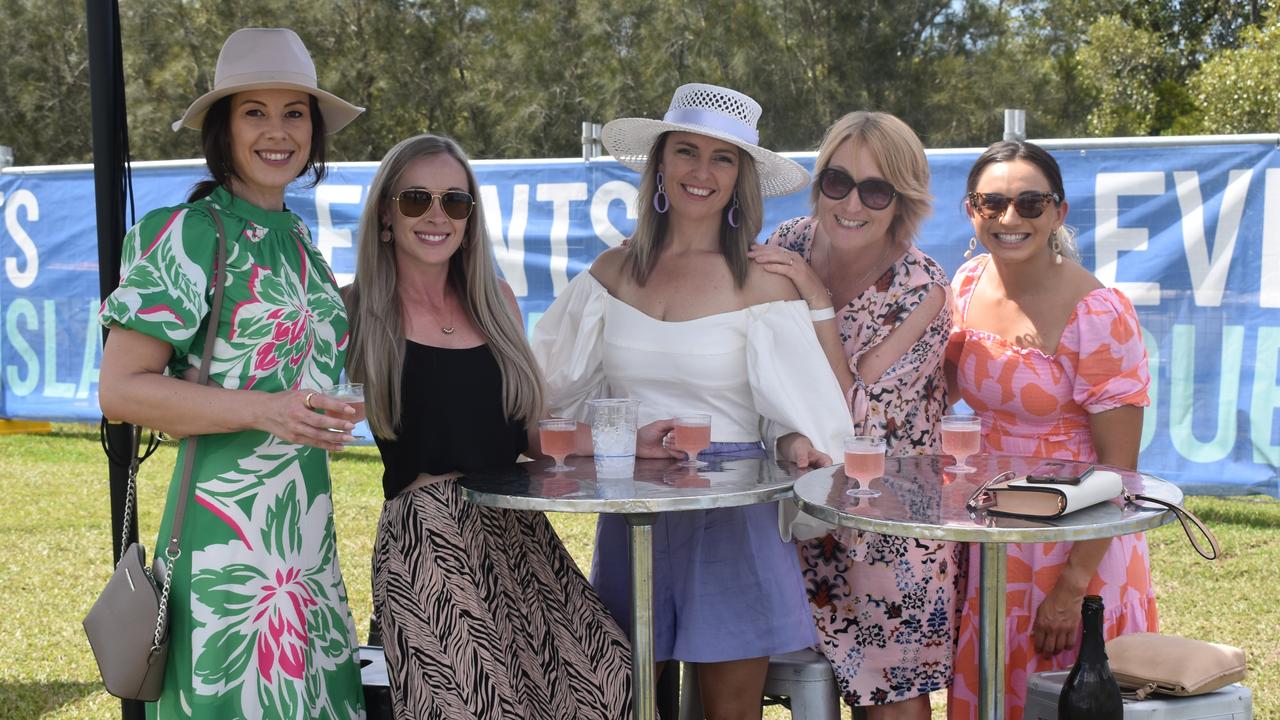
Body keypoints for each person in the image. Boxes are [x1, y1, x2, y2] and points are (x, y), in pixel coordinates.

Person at [533, 83, 853, 719]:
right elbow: (544, 394)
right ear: (660, 165)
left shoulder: (765, 280)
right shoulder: (609, 274)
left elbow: (808, 415)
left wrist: (791, 443)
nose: (701, 172)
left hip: (733, 509)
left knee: (726, 714)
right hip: (634, 509)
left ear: (741, 178)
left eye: (723, 158)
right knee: (630, 704)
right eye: (686, 152)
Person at [344, 133, 667, 719]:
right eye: (416, 199)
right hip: (427, 536)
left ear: (471, 217)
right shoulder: (355, 308)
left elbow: (530, 433)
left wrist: (628, 444)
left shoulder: (495, 300)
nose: (437, 216)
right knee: (478, 701)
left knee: (608, 677)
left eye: (455, 202)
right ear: (386, 214)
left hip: (513, 528)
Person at [97, 28, 366, 718]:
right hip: (226, 548)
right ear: (223, 126)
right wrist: (262, 408)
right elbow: (121, 390)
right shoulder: (188, 233)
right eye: (255, 112)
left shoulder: (302, 243)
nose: (277, 132)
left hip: (304, 540)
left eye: (294, 113)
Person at [750, 111, 962, 718]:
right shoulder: (787, 244)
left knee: (891, 702)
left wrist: (816, 302)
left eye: (876, 190)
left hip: (888, 519)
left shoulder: (921, 288)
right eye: (837, 182)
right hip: (797, 508)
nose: (851, 203)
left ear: (903, 201)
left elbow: (856, 416)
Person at [945, 140, 1156, 720]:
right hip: (993, 537)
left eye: (1030, 204)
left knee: (1066, 700)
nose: (1010, 219)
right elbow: (938, 393)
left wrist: (1073, 588)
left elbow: (1121, 476)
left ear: (1058, 213)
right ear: (971, 210)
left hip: (1075, 540)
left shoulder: (1098, 311)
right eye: (992, 204)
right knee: (995, 692)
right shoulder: (964, 286)